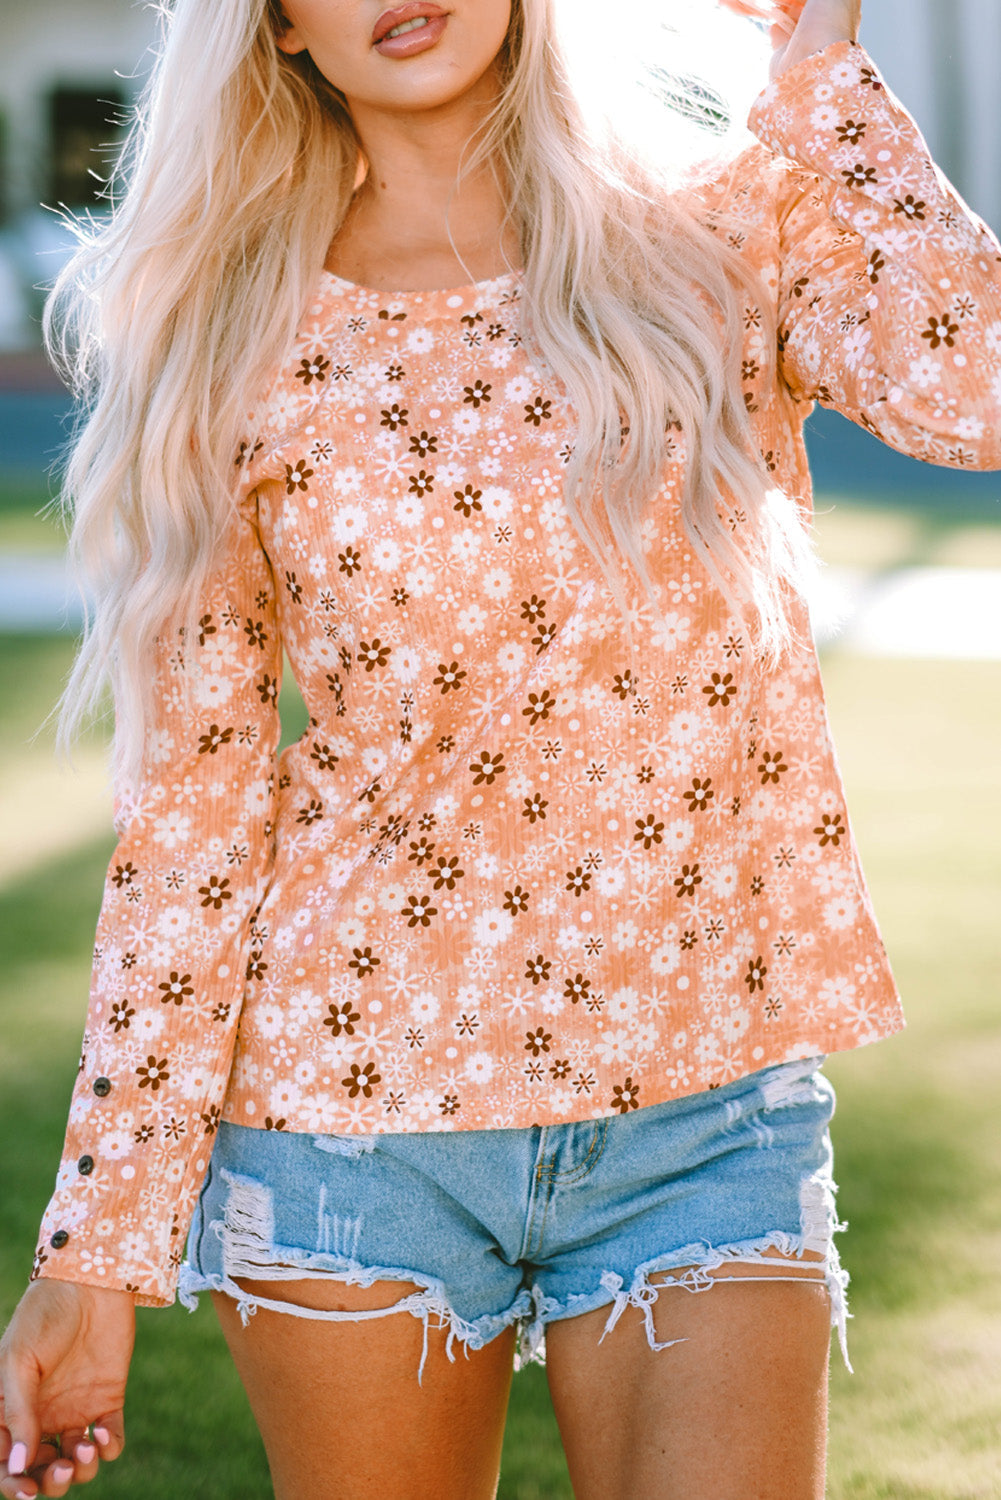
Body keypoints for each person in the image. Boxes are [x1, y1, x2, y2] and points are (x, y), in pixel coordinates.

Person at [2, 0, 999, 1495]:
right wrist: (95, 1254)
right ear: (278, 25)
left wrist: (823, 77)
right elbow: (194, 821)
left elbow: (981, 389)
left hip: (700, 1111)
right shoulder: (232, 343)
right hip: (349, 1129)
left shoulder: (714, 241)